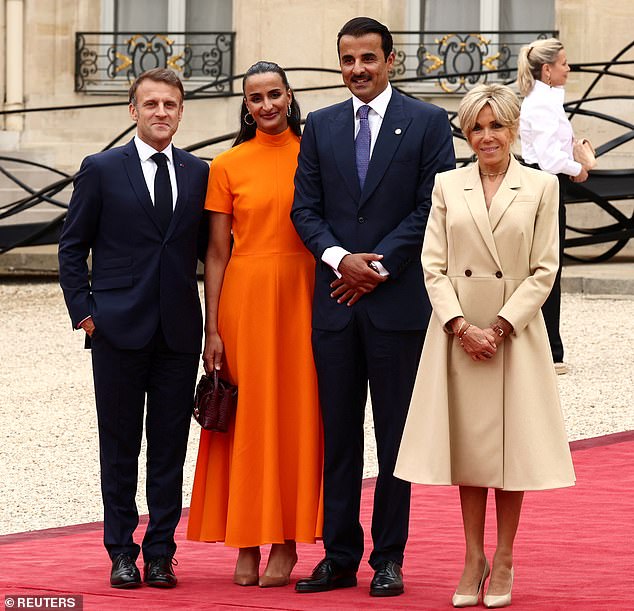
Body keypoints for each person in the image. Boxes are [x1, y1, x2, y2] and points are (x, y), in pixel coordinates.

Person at [291, 17, 455, 597]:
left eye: (367, 58)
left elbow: (433, 206)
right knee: (338, 437)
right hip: (335, 303)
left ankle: (388, 558)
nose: (356, 69)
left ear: (390, 59)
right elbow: (304, 209)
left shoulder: (429, 123)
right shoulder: (321, 125)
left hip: (397, 308)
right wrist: (342, 260)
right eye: (346, 60)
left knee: (393, 441)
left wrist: (376, 266)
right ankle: (339, 556)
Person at [395, 84, 576, 609]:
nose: (487, 136)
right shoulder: (448, 185)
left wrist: (498, 327)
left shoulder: (541, 186)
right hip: (458, 334)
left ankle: (503, 557)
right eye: (477, 127)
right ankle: (472, 556)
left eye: (497, 125)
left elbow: (545, 270)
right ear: (466, 132)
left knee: (509, 449)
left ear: (514, 128)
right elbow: (433, 264)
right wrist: (459, 325)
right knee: (470, 448)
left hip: (512, 334)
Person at [58, 68, 209, 588]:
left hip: (178, 333)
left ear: (181, 111)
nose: (161, 113)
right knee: (120, 446)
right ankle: (121, 550)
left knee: (169, 446)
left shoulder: (198, 172)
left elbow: (212, 252)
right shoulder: (100, 169)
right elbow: (72, 248)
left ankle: (161, 552)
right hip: (117, 330)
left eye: (170, 104)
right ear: (133, 111)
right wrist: (86, 313)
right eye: (151, 105)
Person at [186, 61, 323, 588]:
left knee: (293, 417)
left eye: (274, 94)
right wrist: (212, 328)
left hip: (303, 296)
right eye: (255, 98)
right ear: (245, 105)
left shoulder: (315, 155)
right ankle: (244, 538)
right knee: (244, 421)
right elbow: (216, 254)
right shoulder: (227, 164)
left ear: (289, 96)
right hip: (244, 300)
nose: (266, 105)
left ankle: (287, 540)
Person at [517, 37, 589, 375]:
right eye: (563, 63)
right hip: (544, 185)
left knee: (545, 265)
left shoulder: (544, 99)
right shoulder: (542, 103)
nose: (568, 68)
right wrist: (578, 168)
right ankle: (549, 351)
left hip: (543, 184)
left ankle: (548, 348)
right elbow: (547, 157)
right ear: (547, 69)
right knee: (547, 266)